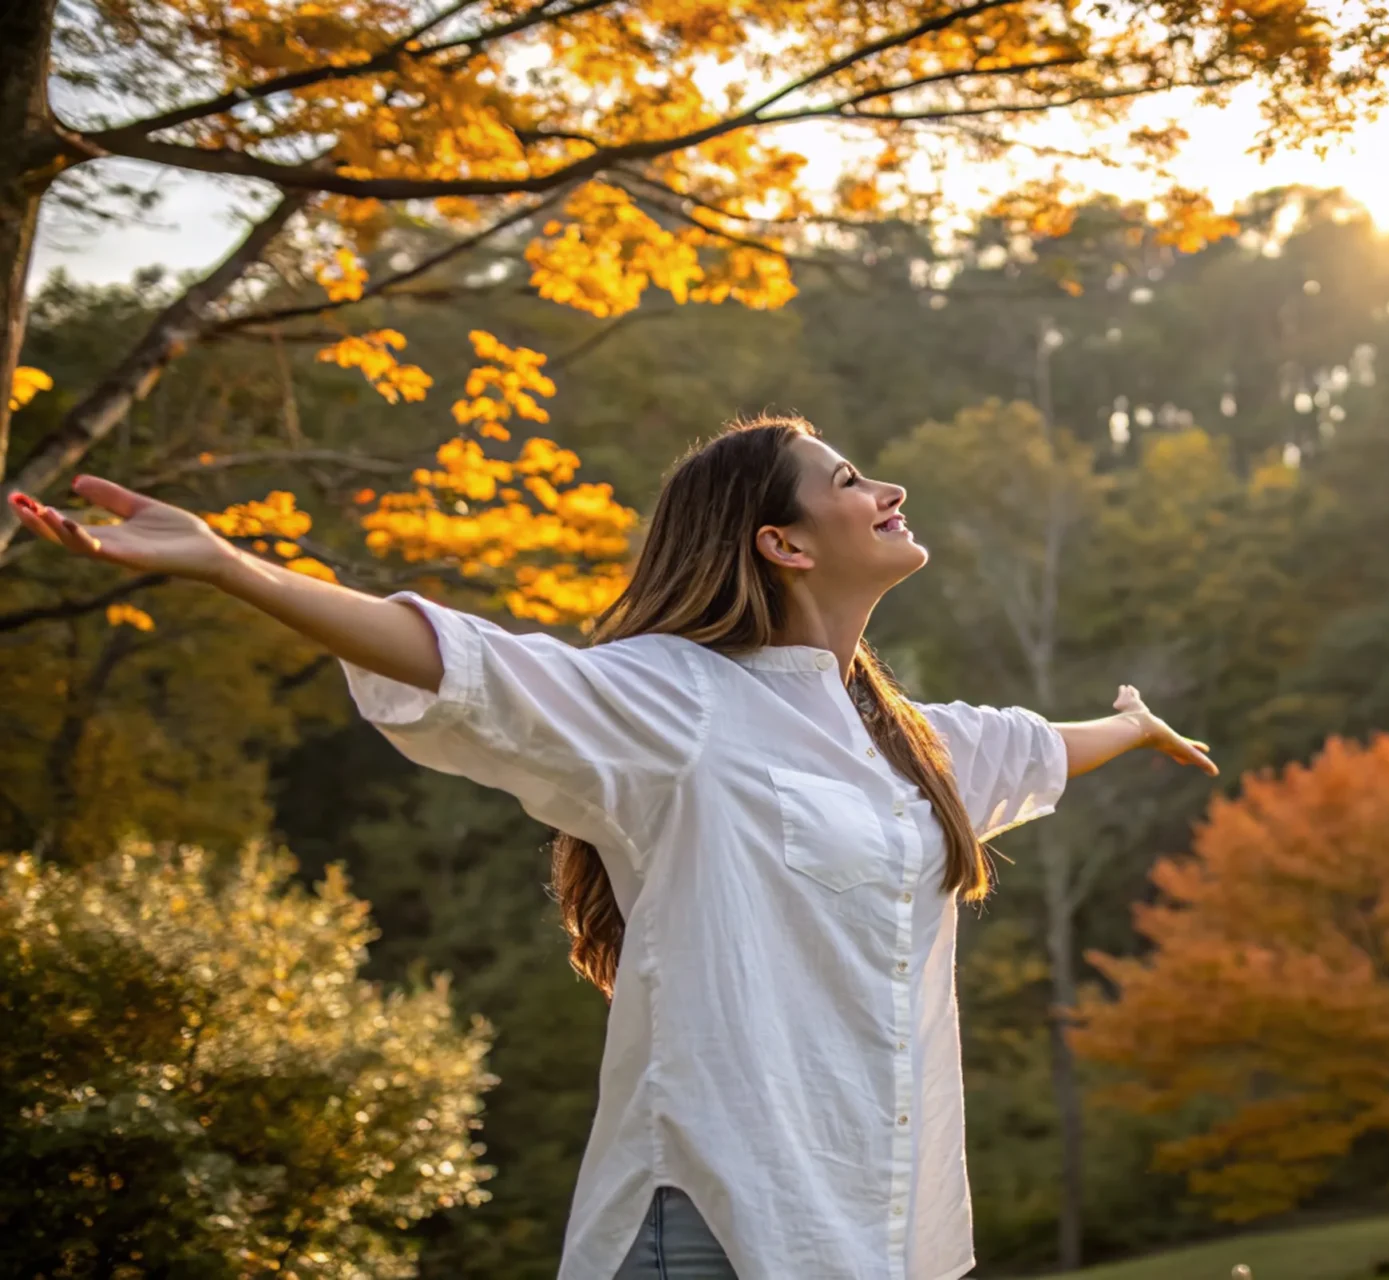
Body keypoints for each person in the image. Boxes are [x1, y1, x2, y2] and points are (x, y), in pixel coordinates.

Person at [7, 415, 1217, 1280]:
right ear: (782, 544)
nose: (885, 489)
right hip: (718, 1220)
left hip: (875, 1224)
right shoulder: (672, 700)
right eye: (849, 478)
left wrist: (1130, 723)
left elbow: (1031, 746)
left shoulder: (903, 743)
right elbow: (460, 661)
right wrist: (228, 564)